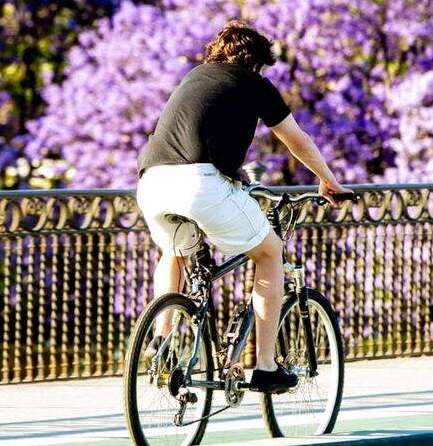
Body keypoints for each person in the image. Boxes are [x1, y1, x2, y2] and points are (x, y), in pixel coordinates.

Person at [136, 21, 351, 393]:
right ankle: (266, 367)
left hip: (151, 181)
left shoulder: (195, 76)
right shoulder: (254, 83)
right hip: (199, 184)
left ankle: (162, 339)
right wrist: (328, 180)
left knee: (175, 251)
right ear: (256, 63)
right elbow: (296, 140)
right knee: (270, 253)